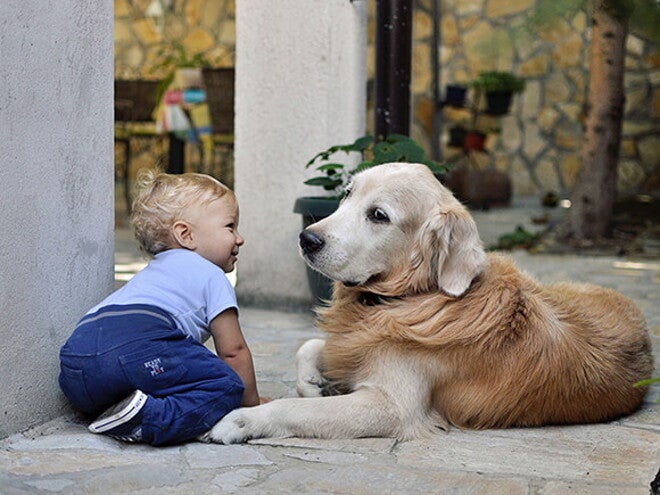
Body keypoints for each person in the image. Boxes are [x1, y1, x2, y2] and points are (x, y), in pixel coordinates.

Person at [59, 170, 260, 446]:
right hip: (137, 345)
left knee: (165, 370)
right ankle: (149, 420)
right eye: (230, 227)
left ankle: (122, 408)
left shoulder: (151, 273)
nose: (239, 238)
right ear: (186, 235)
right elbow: (233, 351)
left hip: (76, 363)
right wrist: (251, 408)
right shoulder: (212, 274)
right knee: (225, 386)